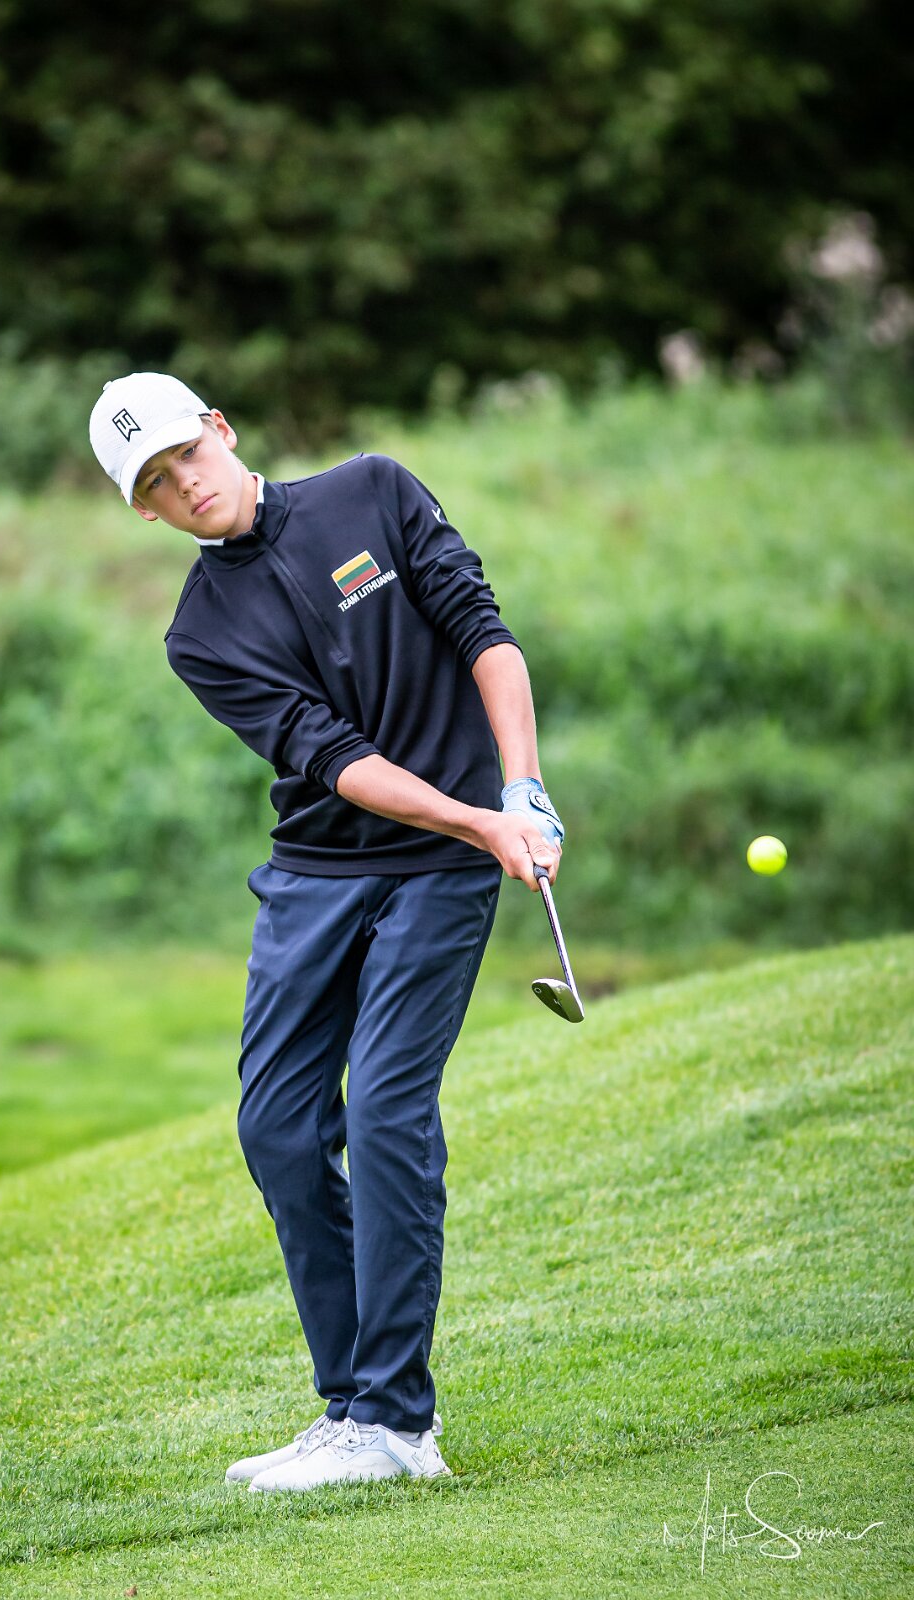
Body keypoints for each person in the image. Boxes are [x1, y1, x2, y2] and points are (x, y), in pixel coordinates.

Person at [89, 371, 564, 1493]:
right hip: (321, 870)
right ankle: (356, 1408)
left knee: (389, 1109)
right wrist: (483, 820)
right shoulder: (199, 634)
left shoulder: (372, 493)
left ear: (220, 429)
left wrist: (522, 787)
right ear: (144, 511)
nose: (184, 484)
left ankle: (396, 1421)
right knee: (278, 1131)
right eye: (155, 482)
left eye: (185, 453)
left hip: (439, 872)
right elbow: (334, 758)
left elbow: (485, 636)